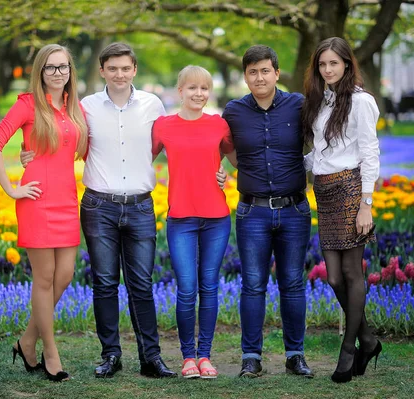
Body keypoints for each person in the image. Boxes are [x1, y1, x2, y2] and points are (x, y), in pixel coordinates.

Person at [21, 43, 180, 378]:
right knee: (104, 283)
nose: (119, 74)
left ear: (134, 70)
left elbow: (172, 145)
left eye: (125, 68)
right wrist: (28, 155)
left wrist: (215, 169)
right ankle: (110, 356)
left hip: (139, 205)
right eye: (112, 68)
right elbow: (60, 139)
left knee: (141, 283)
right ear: (102, 70)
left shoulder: (153, 105)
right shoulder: (85, 107)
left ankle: (150, 358)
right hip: (99, 206)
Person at [0, 44, 88, 382]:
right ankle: (50, 351)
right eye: (50, 68)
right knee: (44, 279)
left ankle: (26, 340)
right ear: (40, 72)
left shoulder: (75, 109)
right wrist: (11, 188)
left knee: (65, 275)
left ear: (71, 71)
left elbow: (84, 150)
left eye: (63, 67)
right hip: (37, 200)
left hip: (67, 202)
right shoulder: (28, 105)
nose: (58, 73)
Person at [222, 45, 314, 378]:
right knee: (253, 285)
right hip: (252, 212)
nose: (259, 77)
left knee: (292, 283)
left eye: (265, 70)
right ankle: (251, 357)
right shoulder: (233, 111)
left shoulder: (299, 105)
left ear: (276, 73)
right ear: (245, 76)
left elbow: (320, 141)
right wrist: (239, 170)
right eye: (252, 72)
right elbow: (227, 151)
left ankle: (295, 355)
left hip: (294, 211)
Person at [302, 37, 382, 383]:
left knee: (351, 274)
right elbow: (322, 153)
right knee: (333, 277)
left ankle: (348, 349)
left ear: (347, 64)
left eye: (334, 63)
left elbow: (369, 151)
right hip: (325, 191)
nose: (328, 69)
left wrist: (367, 204)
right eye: (322, 64)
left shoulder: (361, 102)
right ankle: (368, 339)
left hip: (350, 189)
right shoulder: (321, 101)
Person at [151, 66, 235, 379]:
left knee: (209, 287)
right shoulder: (164, 126)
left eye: (204, 88)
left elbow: (234, 156)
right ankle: (188, 356)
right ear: (180, 90)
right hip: (181, 218)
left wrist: (223, 172)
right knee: (187, 288)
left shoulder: (219, 125)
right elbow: (138, 158)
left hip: (216, 217)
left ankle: (206, 356)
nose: (198, 94)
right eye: (191, 88)